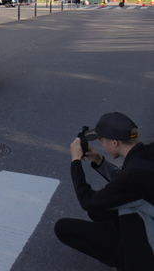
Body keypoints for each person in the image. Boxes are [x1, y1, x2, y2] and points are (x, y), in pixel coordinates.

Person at [54, 112, 154, 270]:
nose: (101, 145)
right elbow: (127, 183)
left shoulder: (131, 176)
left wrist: (75, 162)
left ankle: (126, 261)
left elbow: (87, 201)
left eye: (102, 141)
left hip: (147, 244)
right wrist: (99, 161)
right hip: (145, 213)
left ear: (114, 142)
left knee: (63, 228)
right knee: (99, 210)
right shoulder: (145, 155)